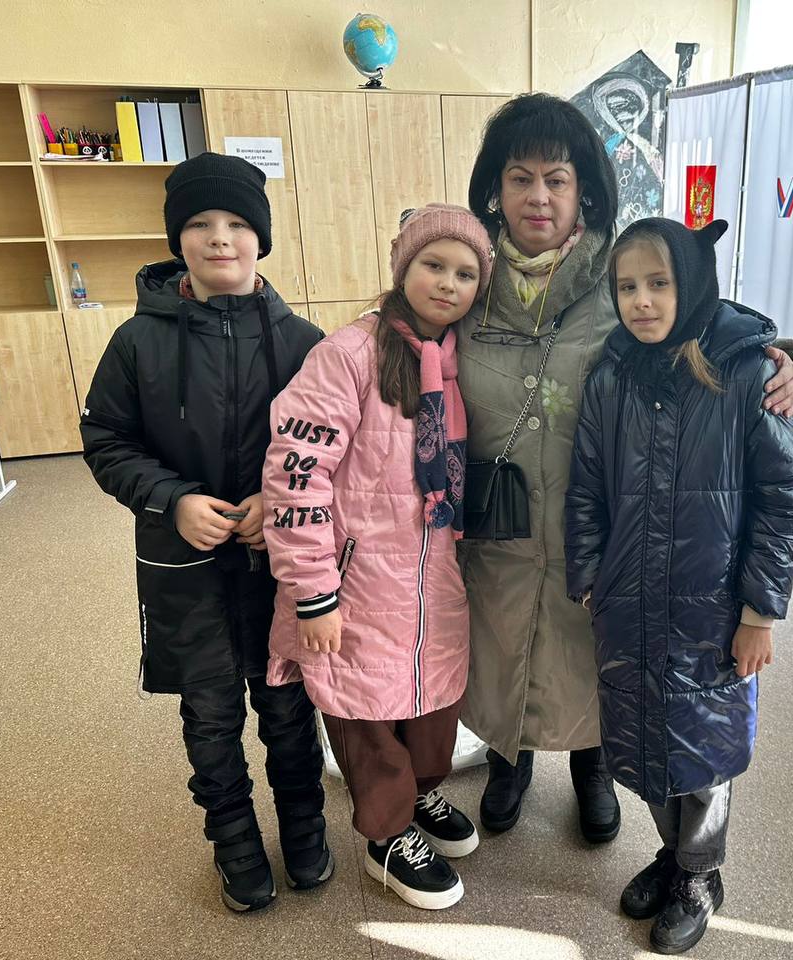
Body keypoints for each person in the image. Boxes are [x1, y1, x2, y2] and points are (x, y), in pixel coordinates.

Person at [457, 93, 793, 842]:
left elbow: (706, 321)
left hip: (605, 526)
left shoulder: (619, 278)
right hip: (499, 527)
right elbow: (402, 325)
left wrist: (785, 362)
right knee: (502, 644)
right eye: (520, 178)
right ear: (495, 189)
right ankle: (508, 760)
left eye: (557, 179)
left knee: (594, 655)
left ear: (584, 189)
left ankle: (592, 765)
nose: (538, 196)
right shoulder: (468, 281)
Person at [80, 152, 331, 912]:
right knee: (211, 712)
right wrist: (172, 499)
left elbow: (334, 450)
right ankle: (234, 840)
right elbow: (106, 441)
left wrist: (274, 501)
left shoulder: (304, 341)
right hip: (182, 565)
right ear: (176, 240)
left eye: (236, 223)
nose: (219, 237)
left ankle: (305, 826)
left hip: (277, 565)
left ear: (261, 239)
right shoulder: (136, 342)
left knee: (287, 706)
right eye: (199, 223)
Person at [564, 217, 793, 954]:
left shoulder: (745, 373)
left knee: (704, 747)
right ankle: (674, 855)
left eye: (658, 284)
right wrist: (589, 575)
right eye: (627, 287)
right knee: (644, 734)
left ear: (693, 283)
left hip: (713, 610)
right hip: (628, 600)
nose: (641, 301)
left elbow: (784, 497)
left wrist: (760, 611)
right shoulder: (612, 375)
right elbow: (586, 487)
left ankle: (701, 872)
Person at [261, 205, 492, 911]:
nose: (447, 284)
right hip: (358, 582)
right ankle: (386, 836)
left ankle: (417, 796)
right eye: (433, 265)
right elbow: (296, 473)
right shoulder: (349, 354)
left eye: (465, 274)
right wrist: (314, 593)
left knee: (431, 706)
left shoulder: (462, 360)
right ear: (402, 267)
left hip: (436, 578)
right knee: (364, 712)